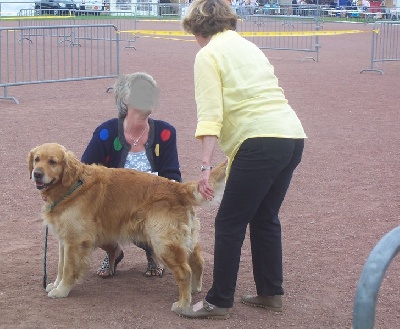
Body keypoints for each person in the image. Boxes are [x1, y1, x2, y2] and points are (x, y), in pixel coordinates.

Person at [176, 0, 306, 319]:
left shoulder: (207, 55)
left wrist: (206, 167)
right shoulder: (249, 47)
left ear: (198, 27)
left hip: (259, 140)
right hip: (291, 135)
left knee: (229, 222)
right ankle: (270, 292)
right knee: (264, 218)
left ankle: (219, 300)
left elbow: (210, 115)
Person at [81, 72, 182, 278]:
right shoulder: (105, 133)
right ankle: (113, 251)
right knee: (87, 216)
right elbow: (85, 171)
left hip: (152, 205)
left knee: (161, 215)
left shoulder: (165, 132)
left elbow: (173, 175)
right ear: (126, 99)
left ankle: (153, 252)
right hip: (113, 206)